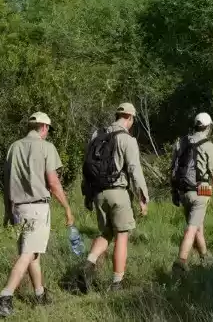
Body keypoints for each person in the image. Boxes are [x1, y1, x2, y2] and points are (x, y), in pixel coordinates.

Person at [0, 112, 75, 318]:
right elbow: (53, 182)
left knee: (32, 253)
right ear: (44, 127)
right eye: (48, 129)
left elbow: (7, 183)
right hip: (37, 208)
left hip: (17, 208)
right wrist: (67, 207)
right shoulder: (47, 147)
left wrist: (7, 211)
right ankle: (5, 297)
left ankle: (40, 294)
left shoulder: (14, 147)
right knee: (28, 254)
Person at [81, 102, 149, 292]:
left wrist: (87, 194)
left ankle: (89, 263)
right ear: (130, 117)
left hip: (99, 193)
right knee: (122, 236)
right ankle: (117, 283)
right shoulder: (127, 139)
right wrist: (143, 198)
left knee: (106, 233)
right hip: (118, 193)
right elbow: (135, 171)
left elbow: (87, 166)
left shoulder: (97, 135)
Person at [172, 112, 213, 273]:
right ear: (208, 127)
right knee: (192, 227)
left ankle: (205, 257)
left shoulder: (181, 142)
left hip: (183, 190)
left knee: (197, 226)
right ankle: (181, 261)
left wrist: (174, 191)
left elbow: (173, 169)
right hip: (201, 191)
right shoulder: (210, 146)